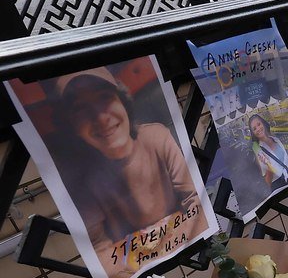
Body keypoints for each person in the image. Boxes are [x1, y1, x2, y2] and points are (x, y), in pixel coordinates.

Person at [55, 69, 203, 267]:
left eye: (105, 98)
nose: (100, 117)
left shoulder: (156, 138)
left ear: (123, 102)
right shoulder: (84, 180)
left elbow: (195, 200)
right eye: (81, 109)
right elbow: (98, 248)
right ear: (72, 127)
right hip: (137, 270)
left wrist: (176, 237)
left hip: (183, 250)